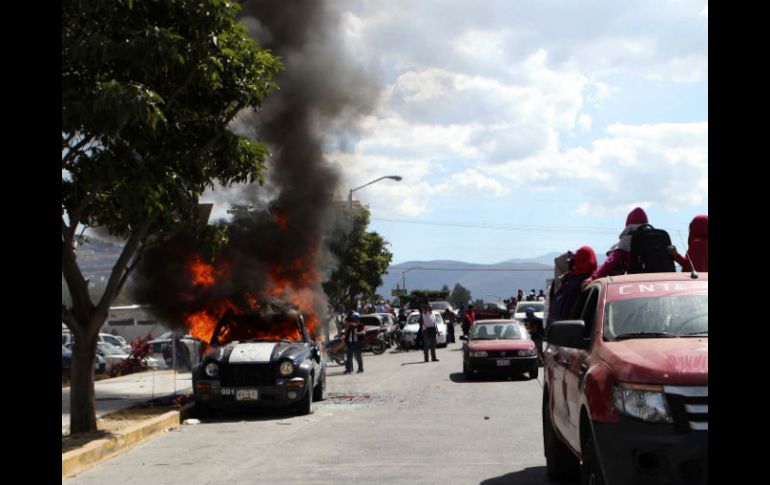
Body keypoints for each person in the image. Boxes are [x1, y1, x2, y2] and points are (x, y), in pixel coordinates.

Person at [588, 207, 649, 282]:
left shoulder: (626, 241)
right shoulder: (655, 239)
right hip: (658, 282)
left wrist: (592, 278)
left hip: (635, 282)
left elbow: (609, 263)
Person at [548, 246, 598, 326]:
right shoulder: (571, 279)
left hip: (568, 329)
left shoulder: (581, 283)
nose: (573, 263)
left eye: (576, 259)